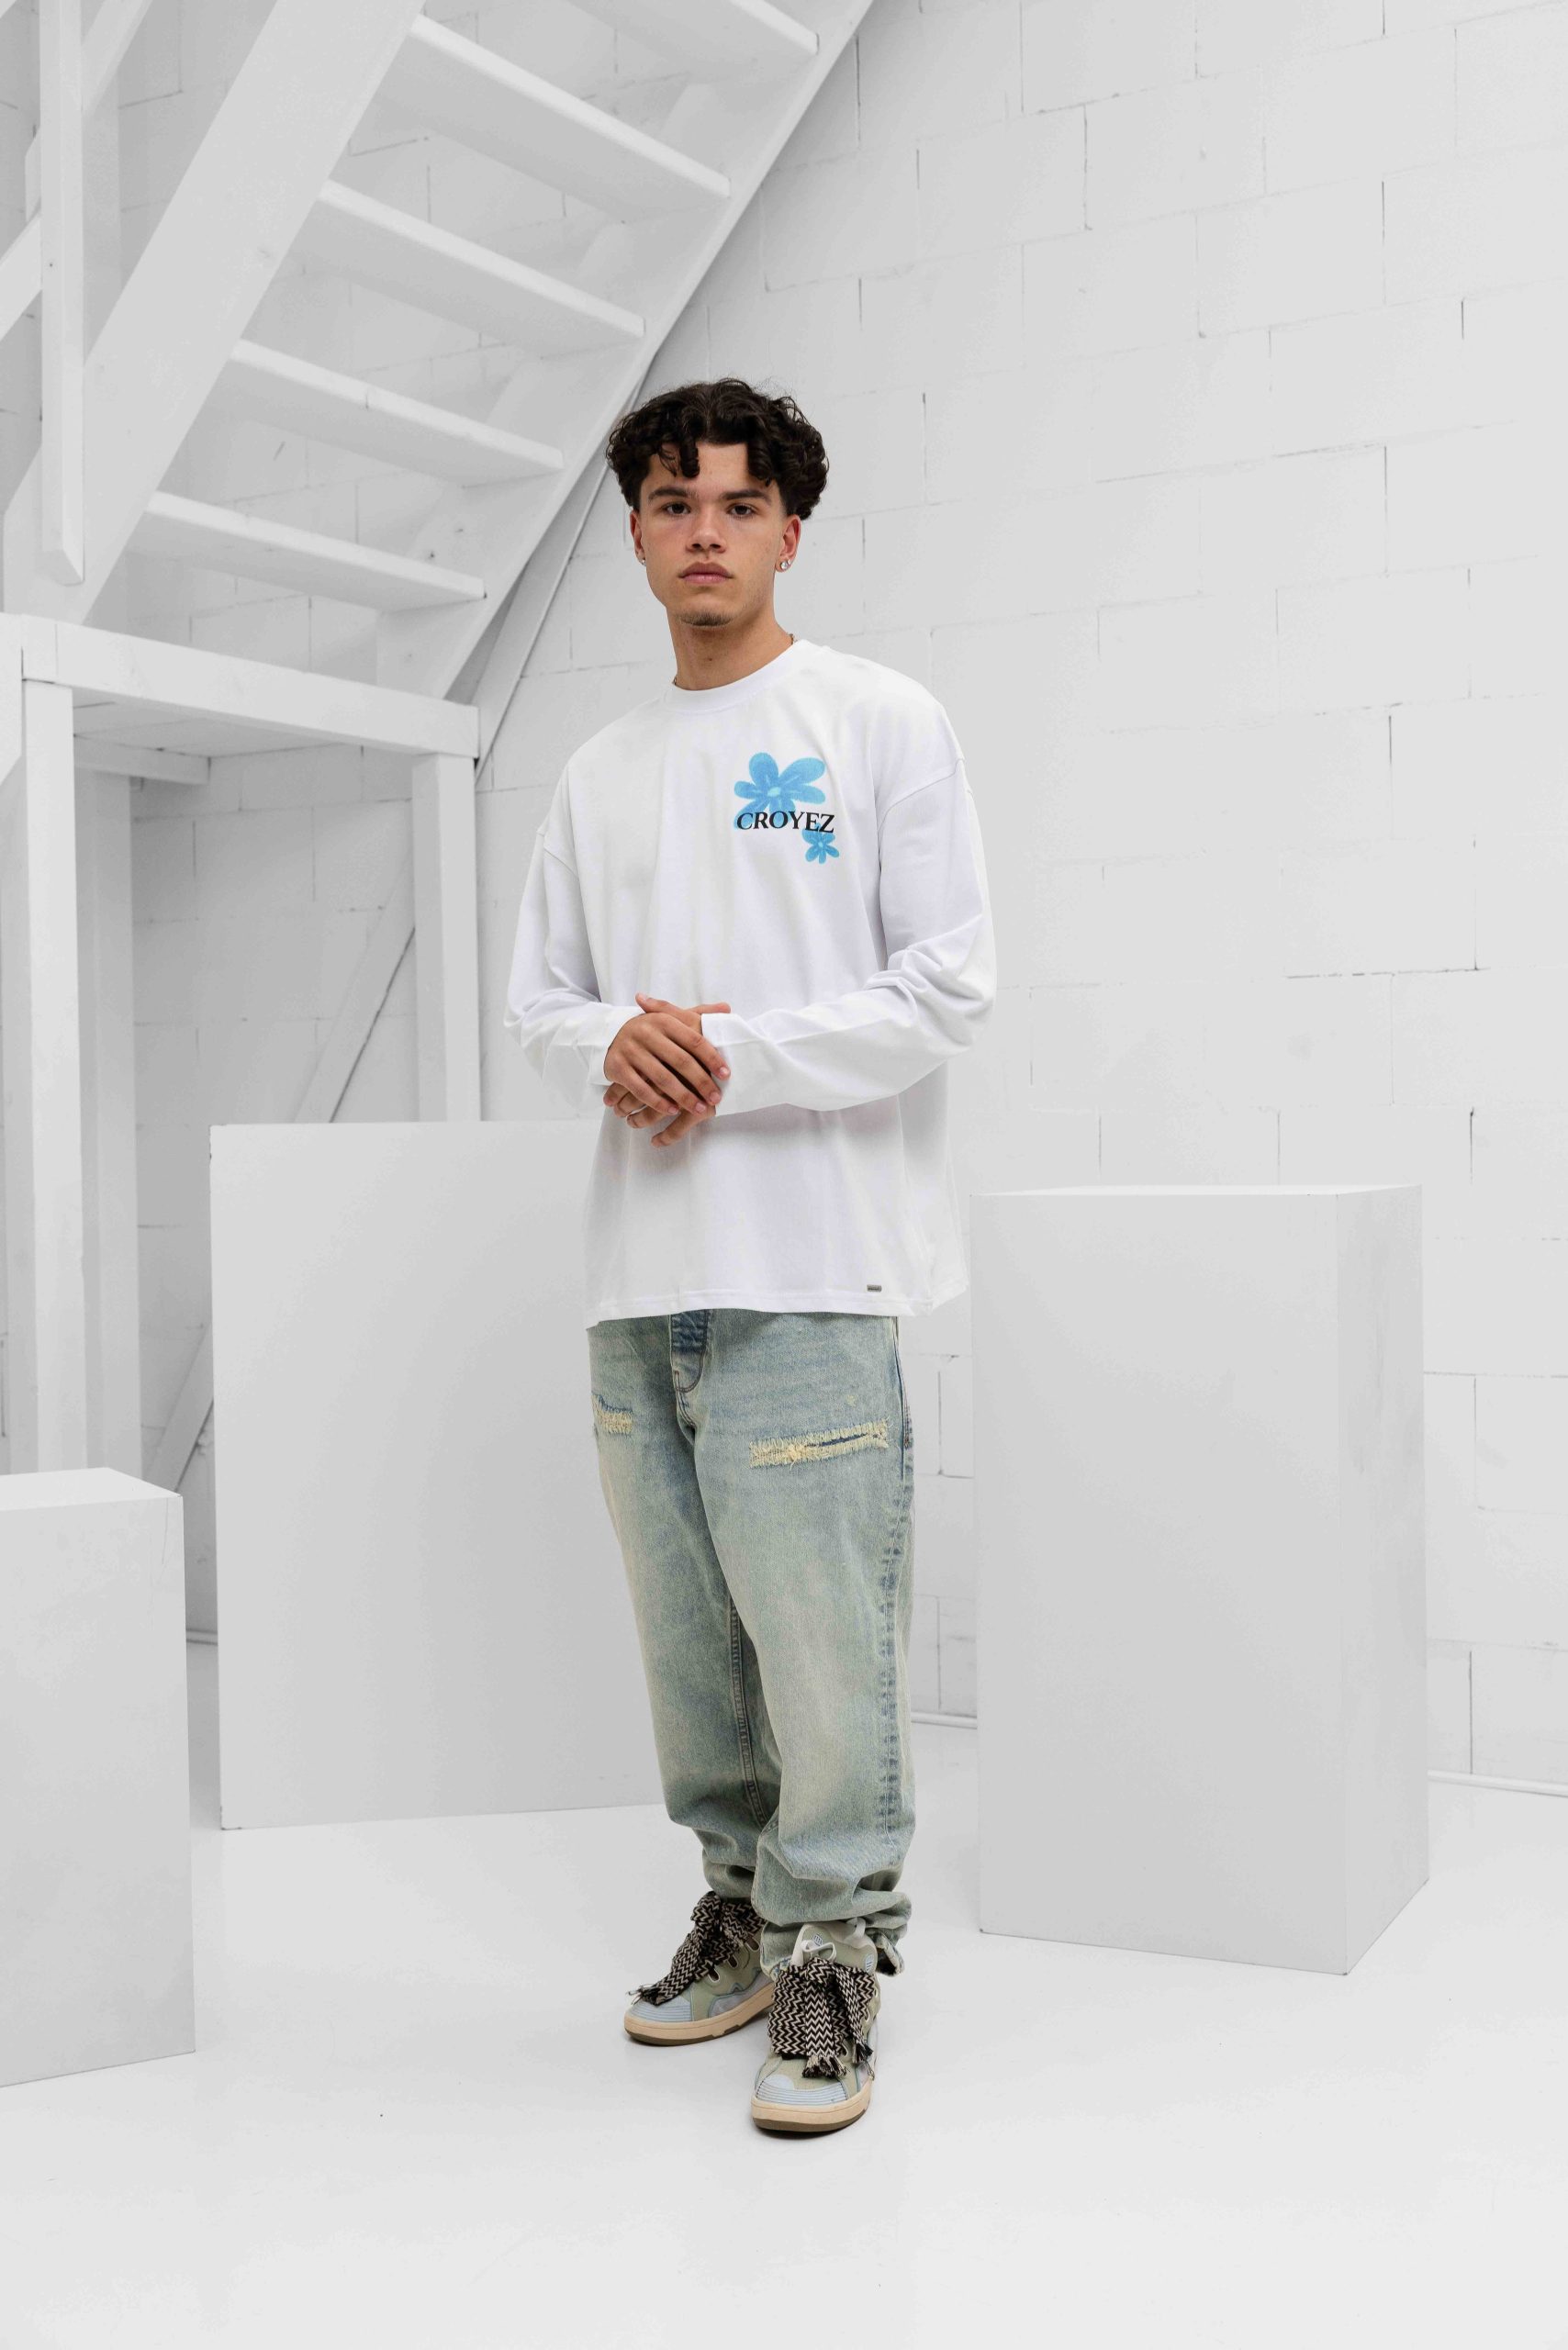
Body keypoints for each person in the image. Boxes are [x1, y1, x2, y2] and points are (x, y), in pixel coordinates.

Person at [504, 377, 996, 2135]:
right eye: (670, 502)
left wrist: (728, 1055)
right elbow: (544, 1002)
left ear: (790, 529)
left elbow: (947, 985)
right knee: (694, 1648)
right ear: (638, 533)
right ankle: (739, 1902)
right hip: (638, 1281)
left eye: (735, 503)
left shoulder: (877, 722)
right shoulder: (599, 771)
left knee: (821, 1643)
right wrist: (608, 1046)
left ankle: (836, 1946)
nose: (702, 530)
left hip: (812, 1265)